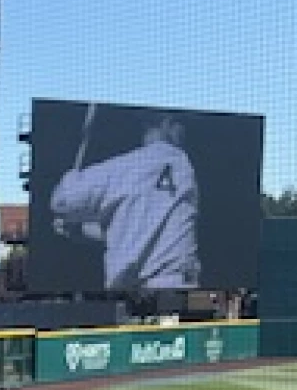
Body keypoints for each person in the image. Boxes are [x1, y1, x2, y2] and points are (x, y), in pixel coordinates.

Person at [49, 114, 200, 292]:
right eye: (181, 124)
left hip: (137, 291)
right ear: (167, 123)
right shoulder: (183, 165)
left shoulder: (136, 165)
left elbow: (61, 201)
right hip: (172, 286)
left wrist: (72, 177)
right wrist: (81, 230)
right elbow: (133, 229)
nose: (185, 132)